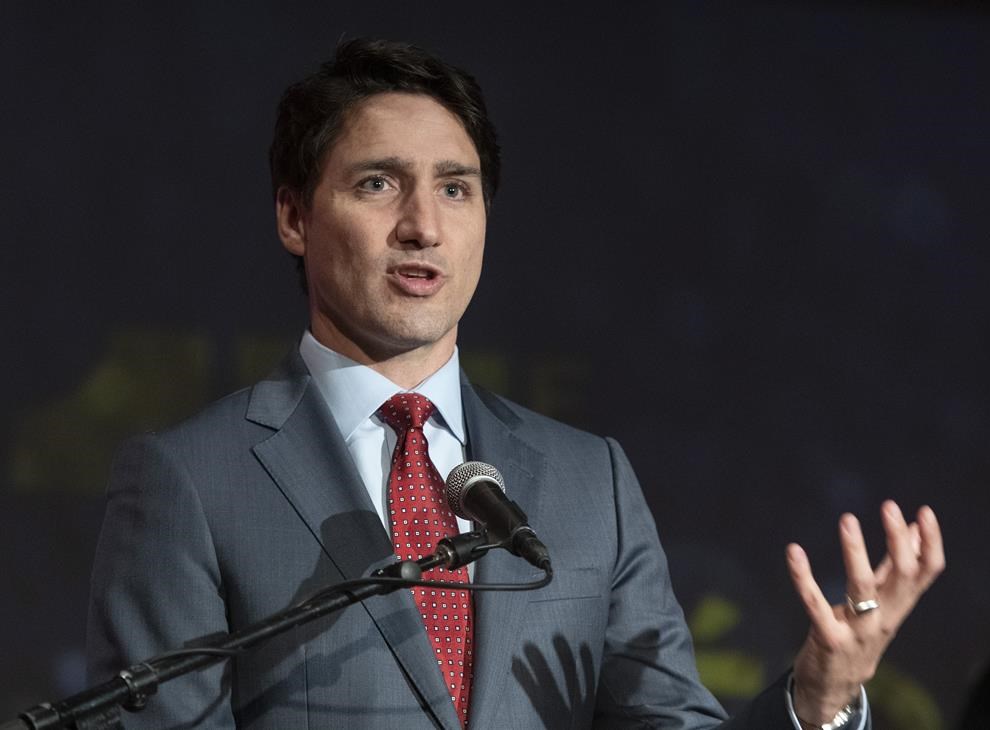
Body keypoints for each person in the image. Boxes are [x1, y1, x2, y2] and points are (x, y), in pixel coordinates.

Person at [86, 38, 945, 729]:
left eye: (455, 189)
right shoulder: (190, 482)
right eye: (378, 183)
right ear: (294, 216)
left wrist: (815, 702)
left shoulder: (590, 480)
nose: (423, 225)